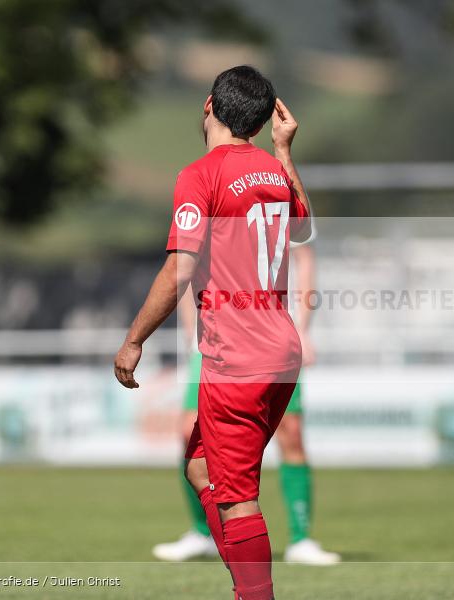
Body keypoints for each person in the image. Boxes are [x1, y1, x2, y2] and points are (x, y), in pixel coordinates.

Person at [114, 65, 313, 600]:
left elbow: (180, 268)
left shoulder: (201, 173)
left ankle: (255, 596)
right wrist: (285, 151)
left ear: (208, 105)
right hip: (281, 352)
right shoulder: (273, 171)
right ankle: (248, 589)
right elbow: (304, 228)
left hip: (236, 358)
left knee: (236, 496)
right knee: (202, 467)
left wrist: (135, 338)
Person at [153, 243, 341, 565]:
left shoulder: (283, 193)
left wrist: (304, 329)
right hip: (215, 336)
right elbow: (183, 266)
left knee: (290, 432)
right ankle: (204, 533)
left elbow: (305, 259)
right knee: (189, 432)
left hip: (272, 336)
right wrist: (191, 333)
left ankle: (301, 539)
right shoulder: (206, 196)